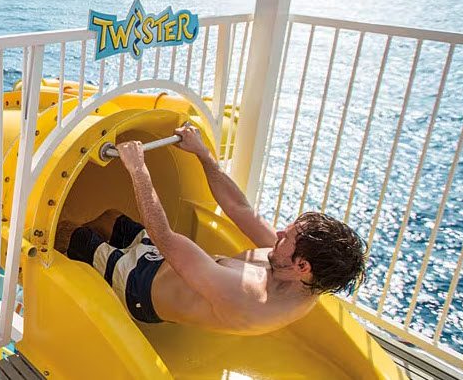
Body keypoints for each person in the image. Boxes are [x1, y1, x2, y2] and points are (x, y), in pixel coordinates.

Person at [56, 125, 366, 335]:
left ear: (303, 266)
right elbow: (240, 208)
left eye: (289, 236)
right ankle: (80, 257)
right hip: (168, 263)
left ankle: (44, 264)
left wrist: (137, 168)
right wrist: (204, 155)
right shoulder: (294, 269)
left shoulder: (249, 299)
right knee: (112, 217)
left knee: (75, 235)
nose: (280, 233)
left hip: (141, 288)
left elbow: (164, 236)